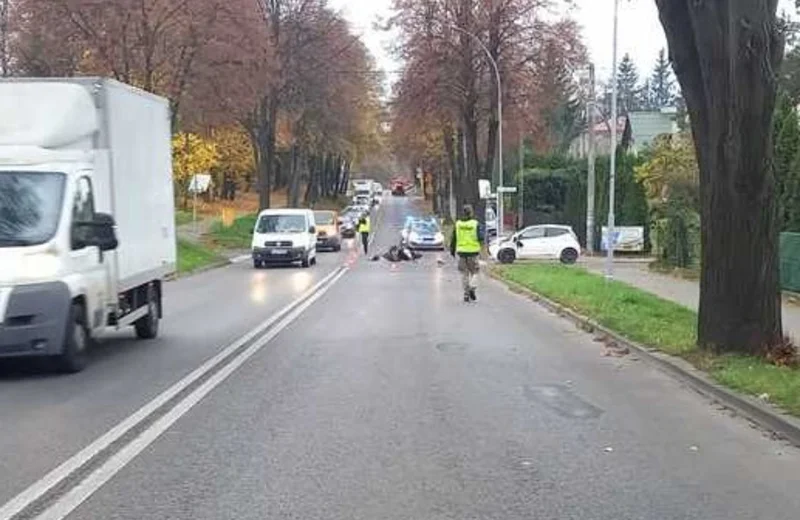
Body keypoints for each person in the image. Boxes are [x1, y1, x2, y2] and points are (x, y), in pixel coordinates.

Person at [450, 204, 485, 302]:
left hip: (461, 252)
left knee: (464, 274)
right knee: (475, 272)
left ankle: (466, 293)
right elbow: (481, 238)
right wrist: (484, 251)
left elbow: (454, 238)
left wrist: (452, 250)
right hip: (473, 252)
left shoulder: (458, 224)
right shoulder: (475, 224)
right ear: (471, 212)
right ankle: (472, 288)